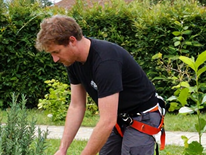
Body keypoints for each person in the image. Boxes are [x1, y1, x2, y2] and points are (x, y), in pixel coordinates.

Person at [35, 15, 164, 155]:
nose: (55, 59)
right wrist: (62, 149)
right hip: (118, 117)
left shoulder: (105, 62)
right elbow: (76, 106)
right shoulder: (72, 61)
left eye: (56, 52)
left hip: (142, 117)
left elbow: (107, 120)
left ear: (72, 40)